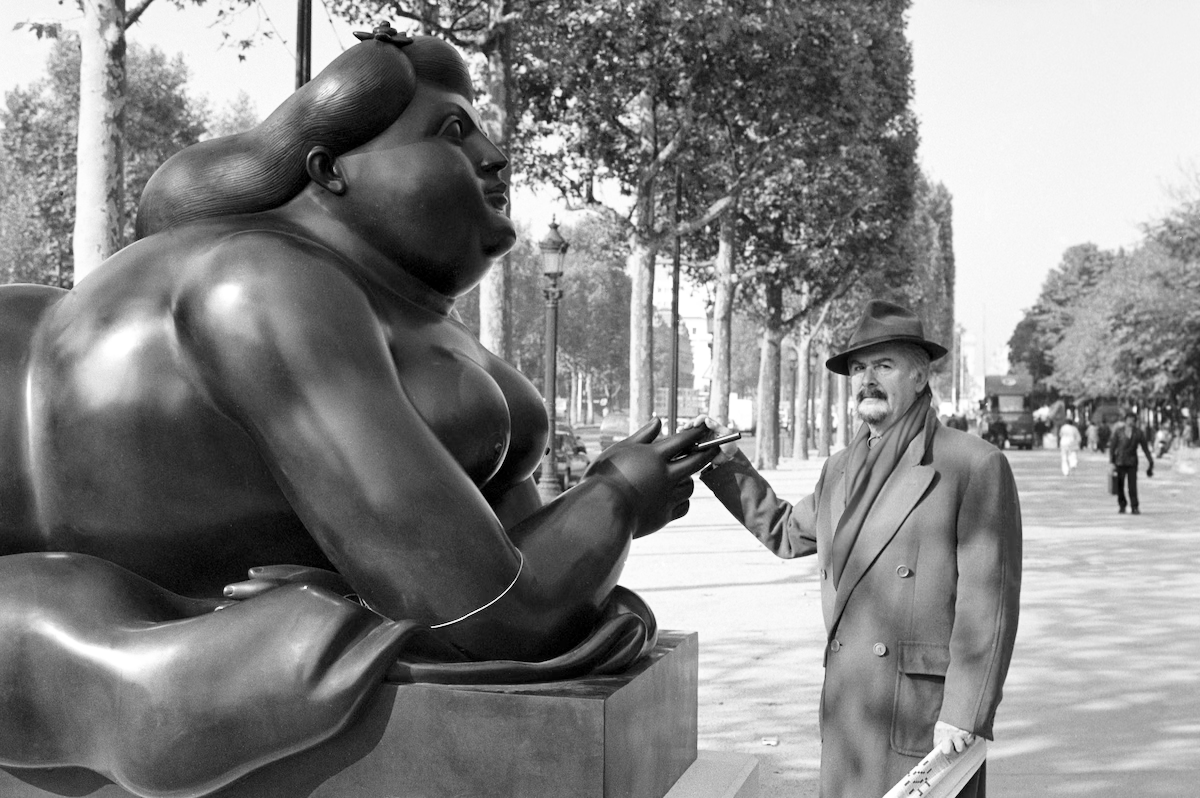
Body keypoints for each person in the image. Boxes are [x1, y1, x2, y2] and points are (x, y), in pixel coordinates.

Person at [0, 25, 714, 797]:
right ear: (329, 172)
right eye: (452, 130)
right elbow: (494, 612)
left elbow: (503, 570)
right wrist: (615, 497)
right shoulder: (263, 285)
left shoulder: (398, 316)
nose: (496, 155)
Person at [689, 300, 1022, 798]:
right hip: (849, 707)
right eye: (860, 368)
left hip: (921, 714)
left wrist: (965, 711)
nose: (868, 379)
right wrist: (728, 464)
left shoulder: (972, 464)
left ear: (919, 376)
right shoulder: (840, 468)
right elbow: (785, 531)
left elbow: (988, 606)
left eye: (884, 365)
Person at [1109, 411, 1153, 514]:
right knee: (1120, 485)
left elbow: (1145, 448)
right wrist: (1111, 461)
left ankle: (1135, 506)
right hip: (1119, 462)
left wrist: (1150, 461)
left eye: (1133, 420)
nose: (1130, 422)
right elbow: (1112, 447)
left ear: (1135, 422)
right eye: (1129, 419)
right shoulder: (1118, 432)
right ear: (1125, 420)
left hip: (1132, 462)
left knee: (1132, 486)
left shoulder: (1138, 433)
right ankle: (1122, 505)